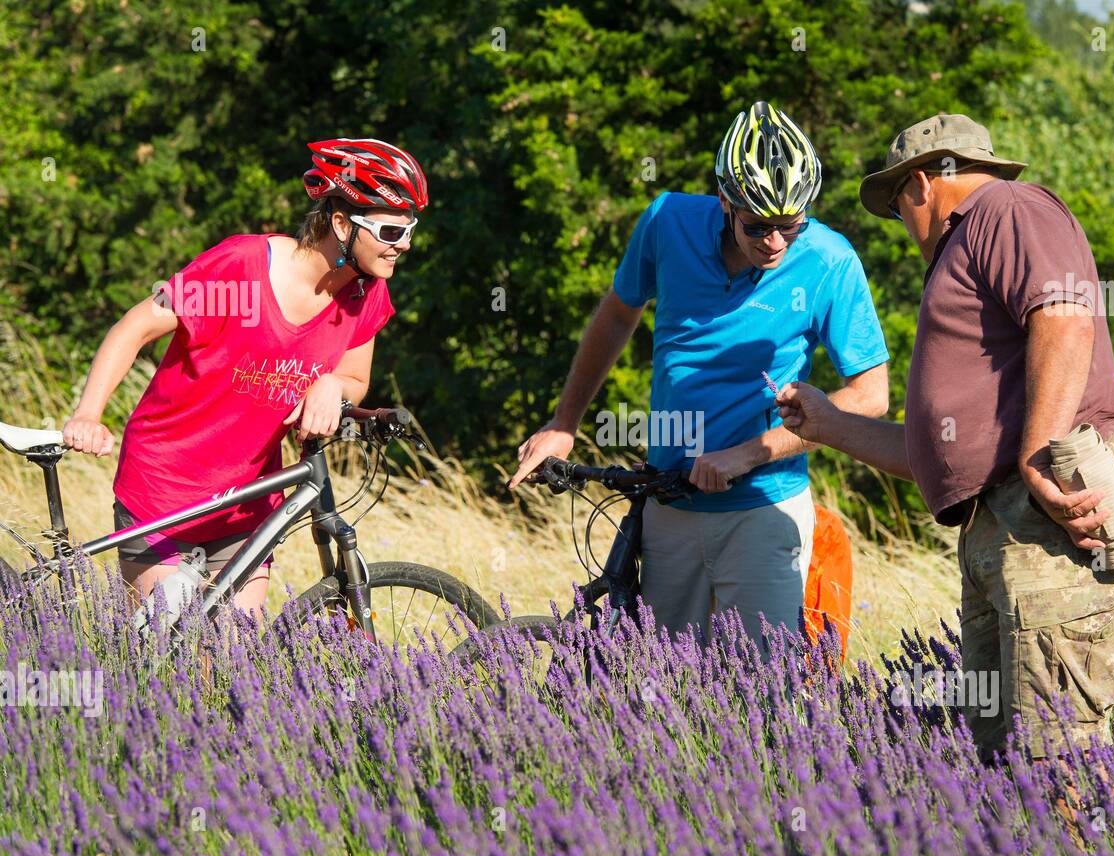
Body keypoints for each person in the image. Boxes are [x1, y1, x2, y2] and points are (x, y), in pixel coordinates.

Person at [777, 113, 1114, 761]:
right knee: (999, 761)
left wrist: (1039, 455)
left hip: (1043, 518)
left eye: (898, 208)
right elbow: (937, 457)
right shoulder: (972, 245)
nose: (903, 228)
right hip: (1003, 528)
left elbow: (1065, 317)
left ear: (921, 185)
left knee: (1054, 757)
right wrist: (829, 424)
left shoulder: (1006, 209)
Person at [510, 102, 890, 655]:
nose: (777, 242)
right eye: (759, 226)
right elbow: (618, 313)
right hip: (668, 502)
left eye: (791, 224)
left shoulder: (830, 259)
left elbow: (871, 395)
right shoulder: (667, 221)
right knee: (665, 693)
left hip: (766, 507)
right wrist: (564, 422)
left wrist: (748, 454)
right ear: (724, 201)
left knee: (767, 698)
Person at [61, 138, 428, 617]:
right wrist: (89, 414)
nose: (402, 245)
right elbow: (136, 326)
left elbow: (355, 377)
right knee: (165, 657)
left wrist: (331, 385)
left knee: (232, 672)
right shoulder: (243, 272)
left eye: (409, 231)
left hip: (247, 505)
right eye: (388, 231)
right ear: (341, 223)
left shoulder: (364, 295)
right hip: (166, 493)